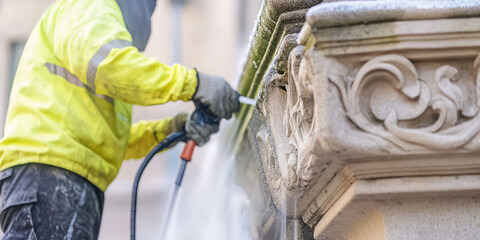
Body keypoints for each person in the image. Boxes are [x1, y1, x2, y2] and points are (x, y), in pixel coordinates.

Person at [0, 0, 240, 239]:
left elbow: (114, 141)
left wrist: (172, 129)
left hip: (57, 178)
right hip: (48, 175)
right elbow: (110, 69)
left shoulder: (103, 37)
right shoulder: (93, 7)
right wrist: (194, 84)